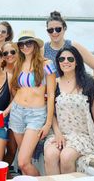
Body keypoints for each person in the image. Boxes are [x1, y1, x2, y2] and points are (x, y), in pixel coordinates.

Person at [44, 45, 94, 174]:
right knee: (50, 155)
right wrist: (57, 133)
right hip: (59, 133)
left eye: (70, 59)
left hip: (82, 135)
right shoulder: (54, 83)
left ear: (77, 61)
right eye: (62, 59)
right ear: (58, 63)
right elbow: (51, 112)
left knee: (66, 157)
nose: (66, 62)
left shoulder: (90, 83)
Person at [9, 30, 56, 176]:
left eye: (28, 43)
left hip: (35, 115)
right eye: (21, 44)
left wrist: (48, 123)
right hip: (17, 112)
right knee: (24, 163)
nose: (25, 46)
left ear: (35, 44)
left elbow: (52, 94)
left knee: (23, 162)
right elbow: (18, 92)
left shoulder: (46, 64)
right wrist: (6, 111)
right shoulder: (19, 63)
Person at [44, 11, 94, 83]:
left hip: (74, 91)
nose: (54, 32)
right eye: (50, 30)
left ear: (64, 28)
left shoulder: (74, 46)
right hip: (52, 92)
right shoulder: (43, 49)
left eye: (58, 29)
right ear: (47, 32)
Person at [1, 41, 19, 171]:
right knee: (0, 148)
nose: (9, 55)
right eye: (5, 53)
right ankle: (2, 174)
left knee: (12, 149)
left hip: (19, 113)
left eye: (12, 51)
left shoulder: (23, 68)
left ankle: (5, 173)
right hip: (2, 113)